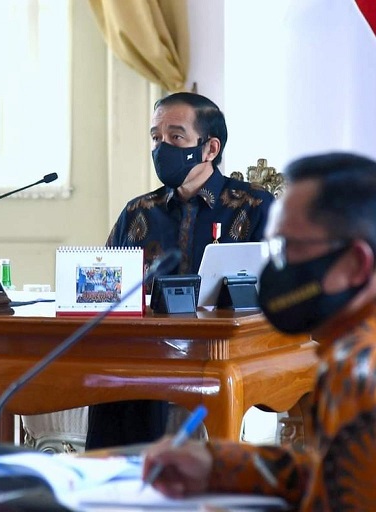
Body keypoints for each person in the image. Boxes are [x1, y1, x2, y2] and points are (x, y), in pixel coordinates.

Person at [142, 152, 376, 510]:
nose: (276, 268)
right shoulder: (347, 345)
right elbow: (331, 477)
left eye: (290, 248)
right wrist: (217, 465)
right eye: (274, 247)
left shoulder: (361, 367)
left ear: (356, 263)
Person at [85, 92, 275, 450]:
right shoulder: (138, 211)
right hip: (147, 351)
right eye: (156, 138)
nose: (162, 148)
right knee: (117, 377)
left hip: (225, 353)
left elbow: (277, 291)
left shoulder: (253, 207)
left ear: (209, 148)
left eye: (176, 137)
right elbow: (108, 285)